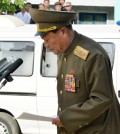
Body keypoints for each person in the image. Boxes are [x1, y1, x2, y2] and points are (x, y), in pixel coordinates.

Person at [30, 9, 120, 134]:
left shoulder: (92, 55)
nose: (46, 45)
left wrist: (67, 118)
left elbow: (102, 98)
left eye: (47, 40)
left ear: (63, 31)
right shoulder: (63, 52)